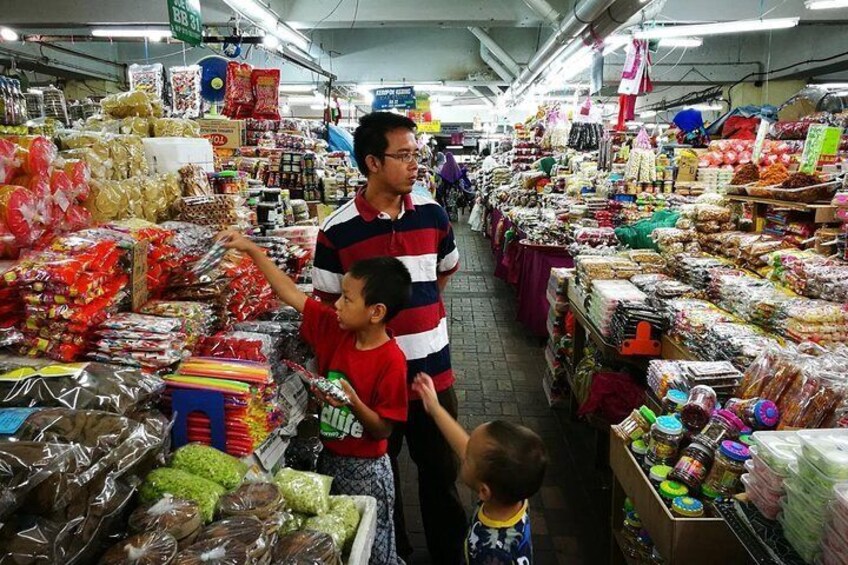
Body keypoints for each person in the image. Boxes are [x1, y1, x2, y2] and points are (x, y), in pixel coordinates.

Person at [312, 112, 466, 564]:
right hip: (372, 385)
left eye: (416, 154)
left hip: (433, 375)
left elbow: (442, 273)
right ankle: (393, 551)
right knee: (381, 477)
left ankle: (448, 556)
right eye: (404, 155)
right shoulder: (338, 229)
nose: (415, 164)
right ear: (373, 162)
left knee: (441, 474)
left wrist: (415, 320)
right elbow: (327, 304)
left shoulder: (433, 215)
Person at [220, 232, 411, 565]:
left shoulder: (391, 361)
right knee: (332, 540)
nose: (336, 303)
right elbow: (290, 293)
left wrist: (352, 402)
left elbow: (383, 431)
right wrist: (252, 250)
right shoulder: (333, 329)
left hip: (368, 470)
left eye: (347, 299)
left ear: (376, 311)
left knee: (373, 546)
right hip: (330, 460)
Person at [412, 373, 548, 565]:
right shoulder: (514, 492)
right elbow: (463, 446)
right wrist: (435, 408)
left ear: (484, 491)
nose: (463, 453)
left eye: (467, 458)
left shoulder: (496, 553)